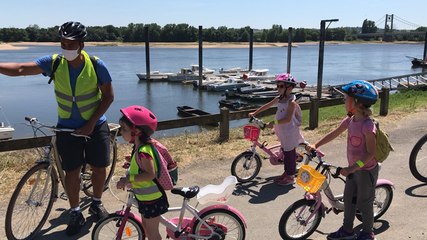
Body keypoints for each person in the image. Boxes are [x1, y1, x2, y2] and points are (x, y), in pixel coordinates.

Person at [0, 21, 114, 236]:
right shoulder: (54, 63)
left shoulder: (97, 65)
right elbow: (21, 69)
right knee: (71, 172)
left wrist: (90, 124)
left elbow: (108, 97)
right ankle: (75, 211)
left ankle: (97, 202)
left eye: (71, 44)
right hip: (66, 128)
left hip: (95, 124)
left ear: (81, 44)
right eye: (63, 43)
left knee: (99, 167)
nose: (66, 48)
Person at [308, 80, 379, 240]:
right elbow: (334, 133)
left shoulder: (367, 126)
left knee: (364, 203)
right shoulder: (351, 120)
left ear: (357, 103)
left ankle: (368, 233)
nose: (343, 101)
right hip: (352, 170)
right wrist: (316, 144)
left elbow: (370, 154)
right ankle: (347, 230)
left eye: (346, 98)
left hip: (366, 171)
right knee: (349, 200)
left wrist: (353, 168)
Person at [117, 105, 169, 240]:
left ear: (137, 131)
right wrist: (132, 163)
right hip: (145, 198)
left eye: (124, 129)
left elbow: (149, 174)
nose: (121, 132)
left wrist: (127, 179)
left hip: (152, 199)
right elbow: (142, 167)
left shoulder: (144, 151)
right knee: (146, 228)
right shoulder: (139, 148)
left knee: (152, 233)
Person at [248, 73, 304, 185]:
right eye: (277, 86)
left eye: (281, 86)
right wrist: (255, 112)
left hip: (289, 131)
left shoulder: (291, 102)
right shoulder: (279, 99)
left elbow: (288, 119)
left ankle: (290, 176)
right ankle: (287, 172)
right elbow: (267, 105)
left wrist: (274, 123)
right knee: (284, 150)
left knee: (288, 154)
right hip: (282, 130)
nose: (278, 88)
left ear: (290, 88)